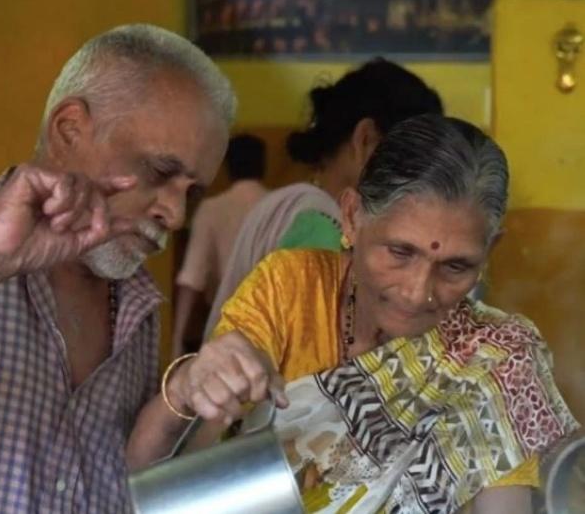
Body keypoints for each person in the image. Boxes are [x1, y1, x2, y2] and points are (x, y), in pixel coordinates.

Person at [0, 24, 235, 512]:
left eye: (193, 192)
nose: (175, 214)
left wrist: (182, 397)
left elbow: (124, 487)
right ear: (69, 130)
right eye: (159, 173)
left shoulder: (137, 306)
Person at [130, 115, 579, 513]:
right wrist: (191, 384)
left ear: (489, 252)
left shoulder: (496, 362)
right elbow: (162, 488)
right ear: (351, 218)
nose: (417, 292)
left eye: (455, 266)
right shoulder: (290, 288)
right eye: (400, 251)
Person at [204, 58, 443, 336]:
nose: (416, 185)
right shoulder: (322, 223)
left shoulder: (281, 203)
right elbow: (312, 353)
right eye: (414, 162)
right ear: (365, 139)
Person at [172, 133, 268, 357]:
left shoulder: (212, 209)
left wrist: (176, 342)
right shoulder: (280, 207)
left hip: (225, 325)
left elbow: (192, 279)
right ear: (263, 164)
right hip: (275, 325)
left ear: (226, 167)